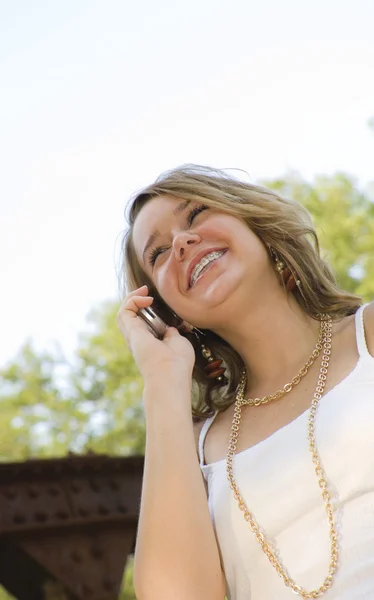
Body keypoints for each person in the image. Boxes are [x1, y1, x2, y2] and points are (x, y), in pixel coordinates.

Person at [117, 165, 374, 600]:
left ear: (258, 228)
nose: (180, 242)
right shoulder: (191, 450)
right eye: (157, 254)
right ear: (169, 315)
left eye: (195, 214)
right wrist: (162, 381)